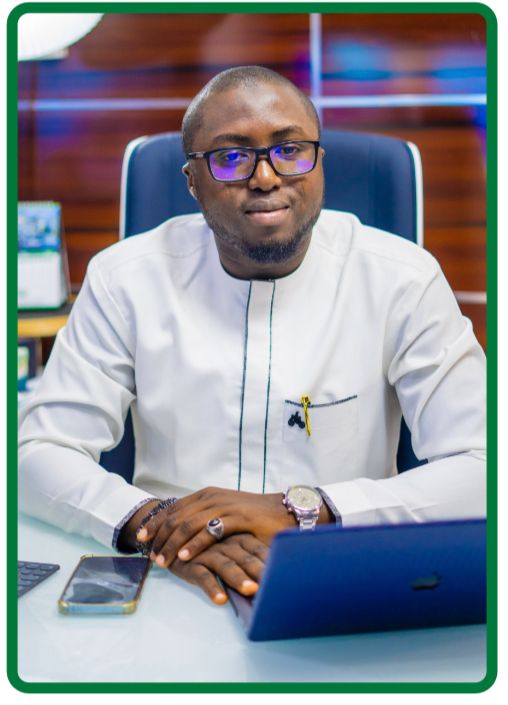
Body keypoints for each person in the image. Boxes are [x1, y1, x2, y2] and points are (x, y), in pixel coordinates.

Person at [18, 66, 486, 606]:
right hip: (170, 575)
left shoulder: (402, 278)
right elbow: (35, 452)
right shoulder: (124, 278)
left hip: (341, 572)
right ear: (192, 180)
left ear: (320, 164)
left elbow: (484, 466)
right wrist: (158, 524)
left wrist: (301, 510)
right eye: (231, 156)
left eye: (290, 150)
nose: (265, 177)